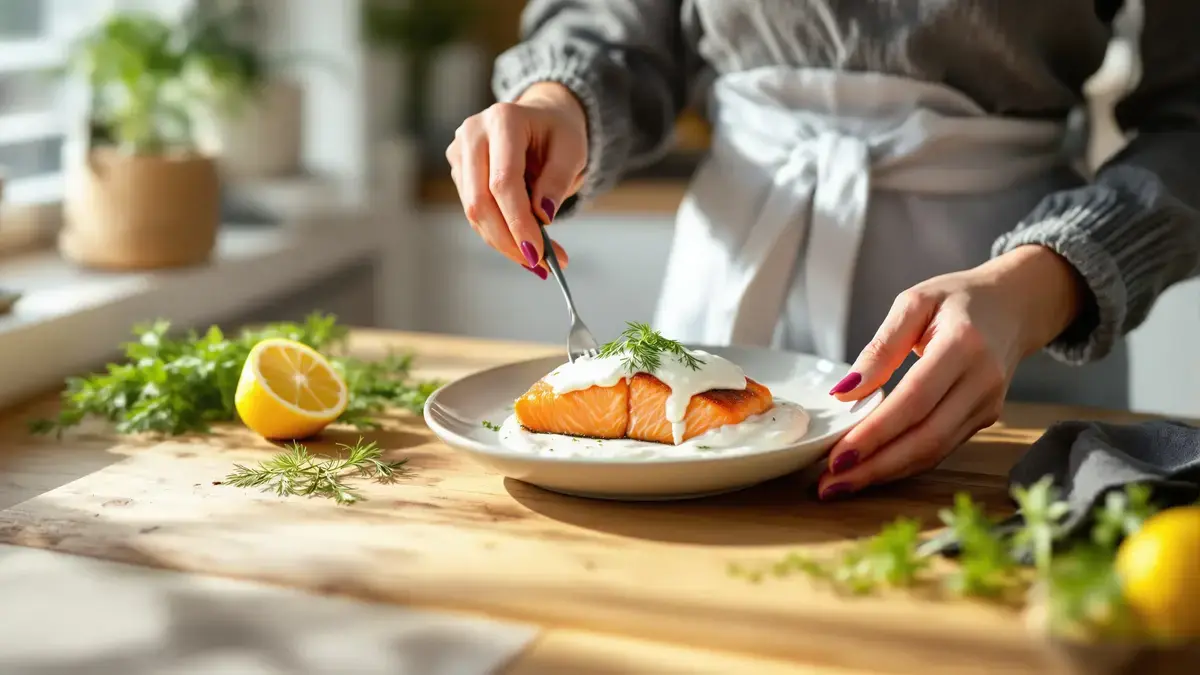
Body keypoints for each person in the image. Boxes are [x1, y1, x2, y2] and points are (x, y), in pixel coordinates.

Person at [444, 0, 1200, 500]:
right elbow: (611, 22)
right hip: (733, 270)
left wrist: (1042, 285)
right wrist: (556, 103)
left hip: (1012, 317)